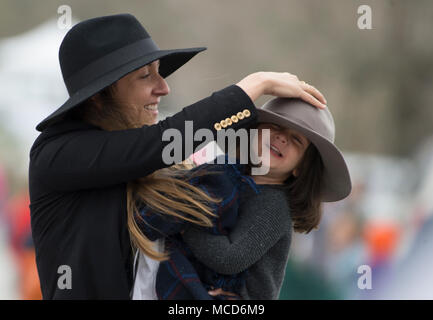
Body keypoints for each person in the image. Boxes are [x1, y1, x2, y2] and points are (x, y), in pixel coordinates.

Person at [29, 13, 327, 299]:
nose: (164, 87)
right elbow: (158, 143)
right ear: (99, 94)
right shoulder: (55, 154)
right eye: (146, 75)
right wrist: (254, 86)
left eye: (160, 72)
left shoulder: (175, 168)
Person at [131, 98, 352, 299]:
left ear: (301, 168)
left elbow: (230, 258)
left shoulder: (275, 206)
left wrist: (184, 219)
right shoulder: (226, 176)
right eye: (275, 126)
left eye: (296, 140)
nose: (282, 138)